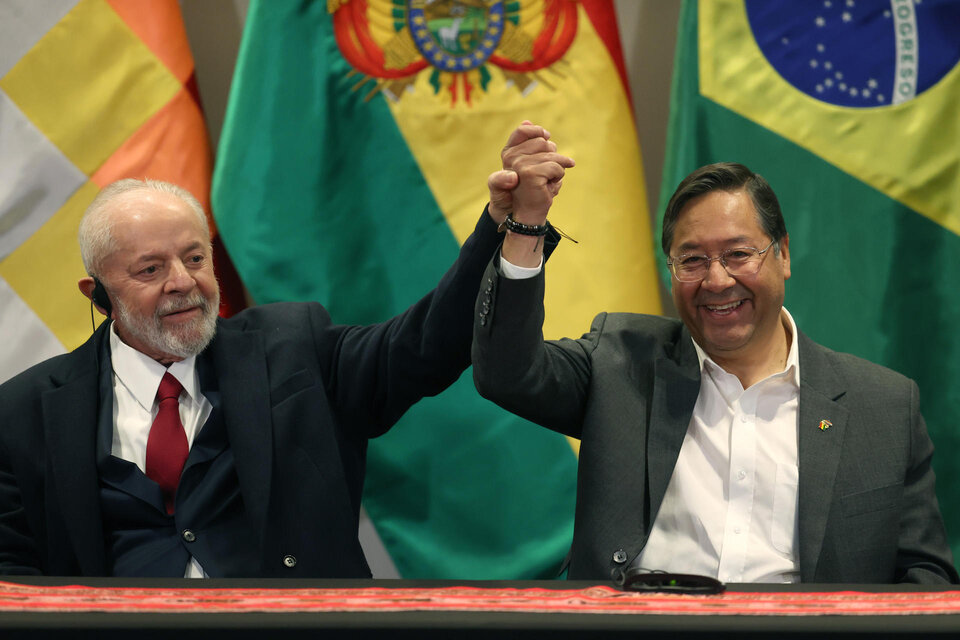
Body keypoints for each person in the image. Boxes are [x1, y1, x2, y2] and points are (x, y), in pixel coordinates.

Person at [0, 123, 573, 578]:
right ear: (97, 295)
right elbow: (12, 575)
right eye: (151, 269)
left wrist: (506, 221)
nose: (182, 281)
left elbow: (425, 343)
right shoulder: (25, 412)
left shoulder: (294, 347)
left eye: (195, 258)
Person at [472, 160, 958, 584]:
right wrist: (527, 224)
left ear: (783, 254)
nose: (717, 280)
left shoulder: (883, 406)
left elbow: (925, 577)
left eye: (738, 254)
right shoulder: (620, 362)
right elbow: (506, 373)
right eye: (693, 260)